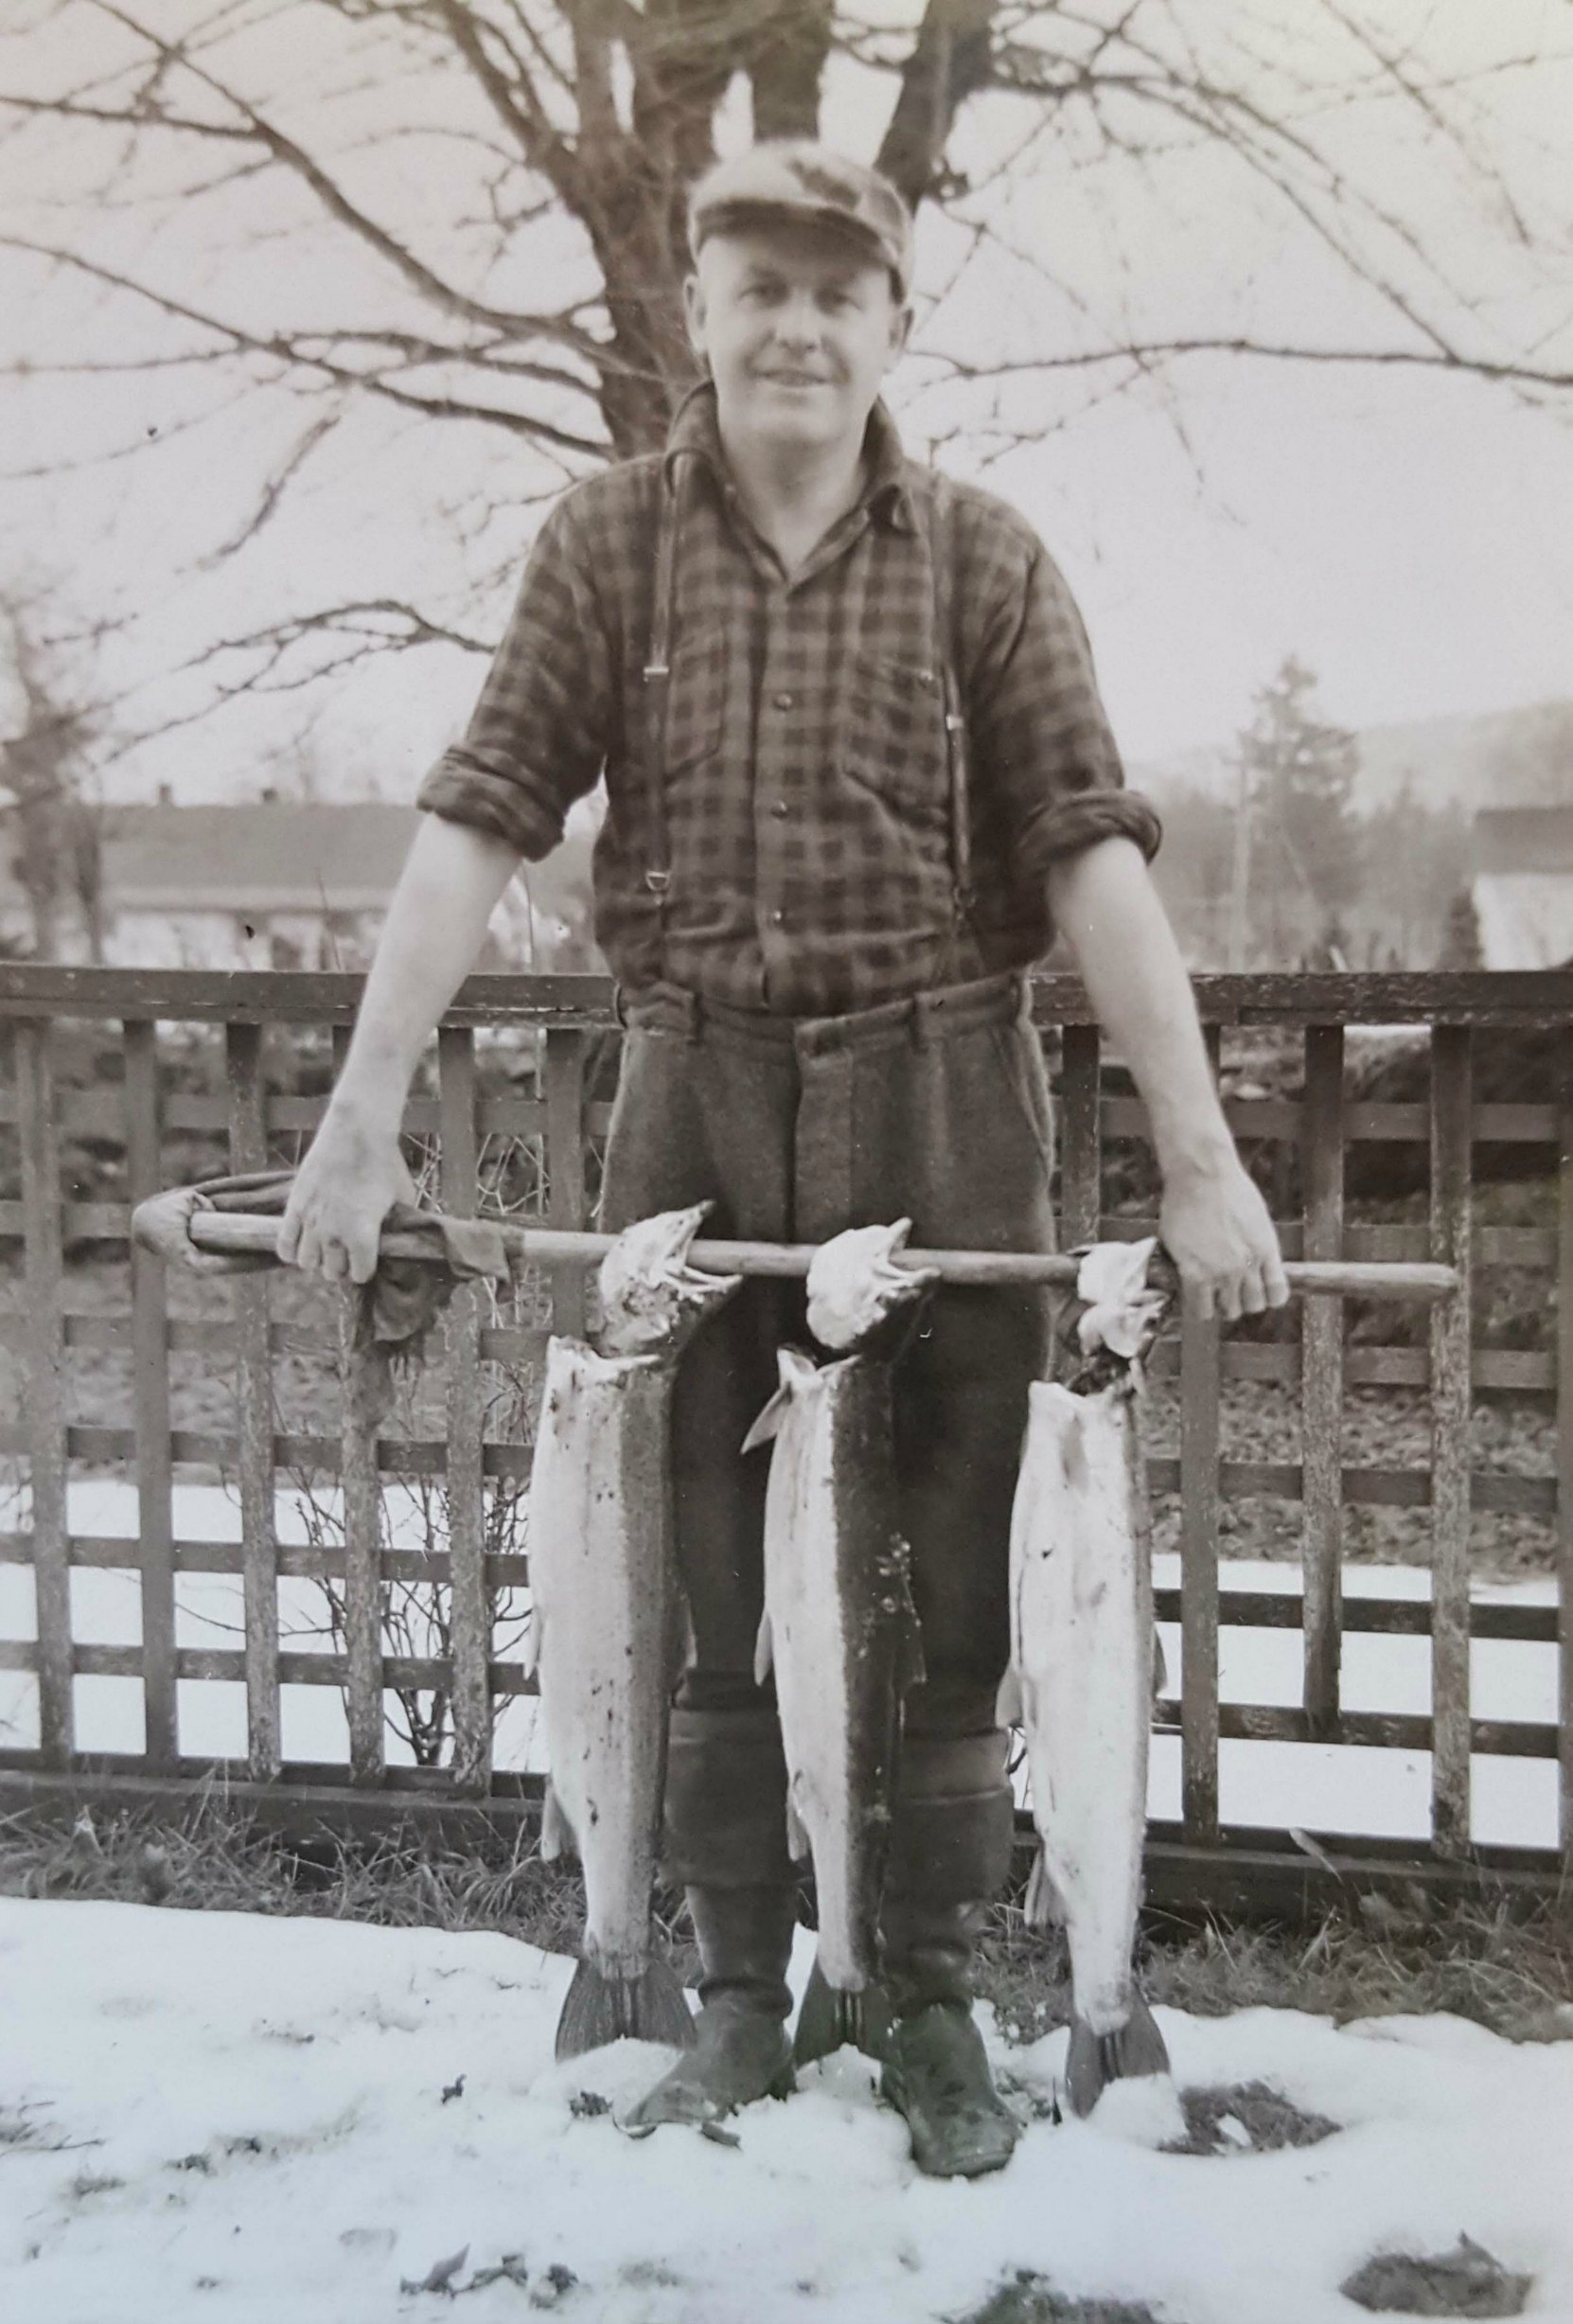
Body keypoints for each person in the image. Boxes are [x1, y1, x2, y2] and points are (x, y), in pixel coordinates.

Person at [281, 142, 1288, 2180]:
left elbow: (1091, 856)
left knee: (951, 1564)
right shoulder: (601, 550)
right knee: (702, 1567)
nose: (800, 325)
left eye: (844, 290)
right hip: (694, 1103)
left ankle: (914, 1987)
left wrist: (1201, 1157)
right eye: (762, 287)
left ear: (896, 322)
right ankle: (739, 1986)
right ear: (700, 315)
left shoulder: (987, 561)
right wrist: (360, 1119)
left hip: (947, 1092)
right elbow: (476, 822)